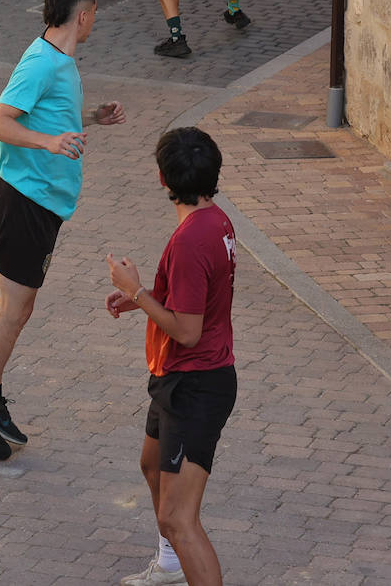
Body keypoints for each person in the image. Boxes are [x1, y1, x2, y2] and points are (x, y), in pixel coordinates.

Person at [0, 0, 126, 461]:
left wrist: (90, 120)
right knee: (12, 310)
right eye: (95, 14)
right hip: (23, 201)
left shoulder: (61, 60)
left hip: (42, 205)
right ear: (83, 15)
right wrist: (49, 142)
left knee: (18, 309)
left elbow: (46, 114)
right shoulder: (41, 63)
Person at [104, 127, 238, 586]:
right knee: (150, 464)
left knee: (181, 519)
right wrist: (145, 297)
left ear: (162, 179)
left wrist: (136, 289)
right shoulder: (216, 220)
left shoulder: (188, 241)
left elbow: (187, 329)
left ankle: (180, 555)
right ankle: (170, 565)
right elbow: (194, 298)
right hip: (179, 380)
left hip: (196, 385)